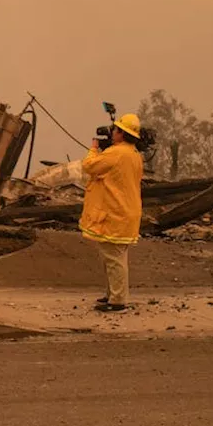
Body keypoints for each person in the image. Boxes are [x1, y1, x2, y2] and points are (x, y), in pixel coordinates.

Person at [79, 113, 145, 313]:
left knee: (114, 259)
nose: (112, 132)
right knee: (114, 257)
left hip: (116, 213)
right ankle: (112, 294)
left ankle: (117, 300)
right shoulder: (133, 155)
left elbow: (89, 166)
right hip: (126, 212)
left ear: (121, 134)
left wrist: (93, 149)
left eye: (115, 130)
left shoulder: (116, 154)